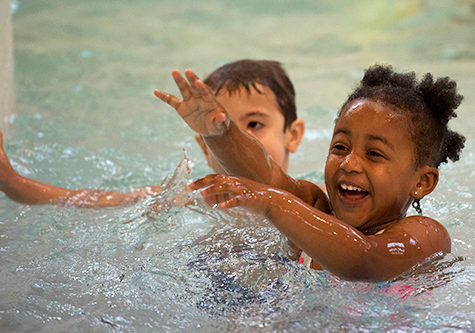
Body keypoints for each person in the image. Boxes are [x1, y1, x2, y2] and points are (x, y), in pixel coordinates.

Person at [155, 64, 465, 282]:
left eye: (374, 154)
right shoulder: (317, 206)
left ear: (422, 182)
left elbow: (363, 261)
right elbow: (266, 177)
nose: (349, 164)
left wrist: (273, 203)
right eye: (340, 147)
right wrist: (220, 133)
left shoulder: (426, 236)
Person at [0, 59, 308, 208]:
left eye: (254, 125)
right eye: (220, 130)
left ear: (293, 135)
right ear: (204, 146)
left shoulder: (308, 202)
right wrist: (12, 182)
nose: (238, 139)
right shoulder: (195, 196)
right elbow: (93, 200)